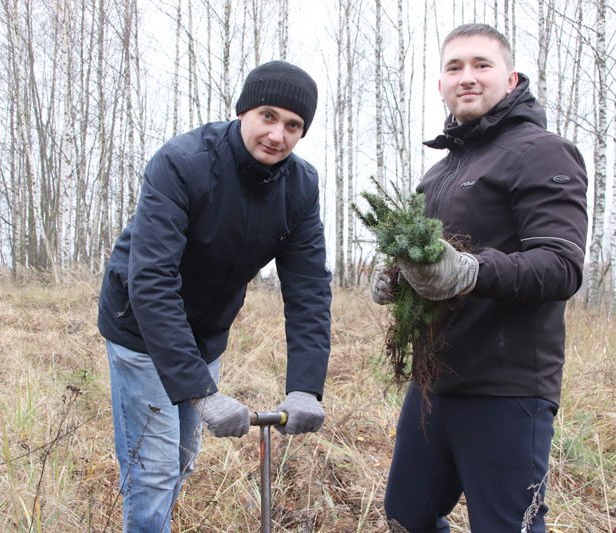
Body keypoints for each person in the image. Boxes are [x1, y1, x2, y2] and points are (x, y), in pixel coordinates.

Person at [97, 60, 332, 533]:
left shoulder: (300, 187)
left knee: (181, 461)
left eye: (293, 125)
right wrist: (201, 391)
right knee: (154, 472)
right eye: (267, 115)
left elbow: (308, 289)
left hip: (206, 333)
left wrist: (306, 384)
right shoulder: (183, 164)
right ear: (243, 110)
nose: (277, 134)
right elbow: (152, 279)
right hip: (141, 327)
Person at [371, 24, 588, 532]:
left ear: (510, 79)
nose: (467, 77)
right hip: (435, 382)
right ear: (441, 85)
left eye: (481, 65)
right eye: (454, 67)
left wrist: (470, 270)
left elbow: (560, 265)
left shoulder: (542, 152)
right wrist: (396, 280)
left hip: (505, 386)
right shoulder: (439, 172)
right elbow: (428, 262)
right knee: (408, 517)